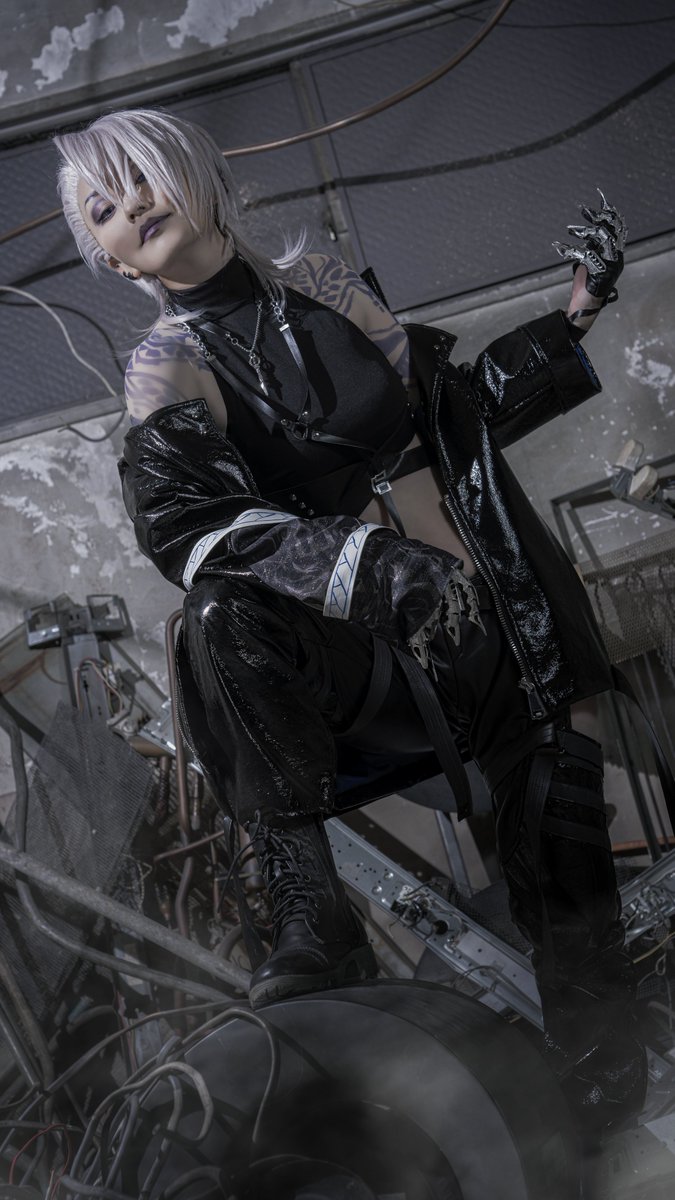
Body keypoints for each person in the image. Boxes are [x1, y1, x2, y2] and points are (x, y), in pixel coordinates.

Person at [54, 108, 646, 1135]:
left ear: (192, 173)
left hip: (497, 619)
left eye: (141, 177)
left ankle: (600, 1075)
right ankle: (308, 908)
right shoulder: (162, 367)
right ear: (107, 257)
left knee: (562, 833)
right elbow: (189, 525)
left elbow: (450, 415)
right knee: (217, 608)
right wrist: (363, 565)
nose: (131, 207)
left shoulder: (322, 282)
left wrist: (579, 312)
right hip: (364, 668)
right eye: (104, 208)